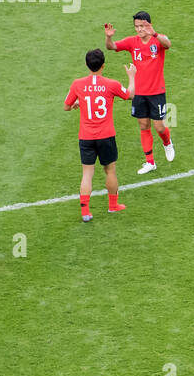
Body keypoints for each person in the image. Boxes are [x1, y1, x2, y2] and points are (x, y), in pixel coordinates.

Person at [63, 49, 136, 221]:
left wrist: (77, 104)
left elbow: (66, 106)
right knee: (110, 170)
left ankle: (85, 212)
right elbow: (130, 95)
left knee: (87, 173)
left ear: (87, 65)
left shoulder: (77, 84)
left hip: (86, 137)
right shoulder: (111, 84)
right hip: (106, 135)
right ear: (103, 65)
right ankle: (113, 206)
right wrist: (132, 76)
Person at [105, 11, 173, 174]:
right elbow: (112, 47)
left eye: (142, 26)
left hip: (156, 92)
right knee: (143, 125)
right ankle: (150, 162)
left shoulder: (157, 39)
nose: (139, 29)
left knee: (160, 127)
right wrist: (109, 37)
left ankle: (167, 143)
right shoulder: (132, 42)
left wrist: (154, 33)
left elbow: (168, 44)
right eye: (137, 26)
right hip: (139, 93)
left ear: (149, 24)